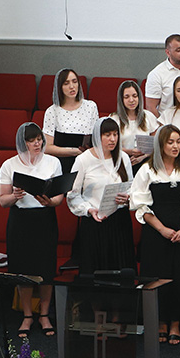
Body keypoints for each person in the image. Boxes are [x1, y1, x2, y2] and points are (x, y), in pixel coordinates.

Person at [130, 125, 180, 345]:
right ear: (161, 145)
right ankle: (160, 322)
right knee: (158, 277)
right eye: (170, 142)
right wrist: (161, 229)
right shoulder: (147, 169)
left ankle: (176, 322)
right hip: (156, 234)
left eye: (178, 142)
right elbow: (140, 206)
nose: (175, 146)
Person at [0, 123, 63, 338]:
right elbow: (2, 201)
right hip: (20, 220)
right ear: (22, 143)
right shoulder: (9, 165)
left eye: (39, 140)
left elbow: (59, 196)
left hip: (45, 218)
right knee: (23, 269)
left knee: (46, 268)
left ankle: (44, 314)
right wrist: (15, 196)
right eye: (32, 140)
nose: (37, 144)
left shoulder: (52, 162)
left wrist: (50, 201)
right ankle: (27, 315)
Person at [67, 117, 135, 275]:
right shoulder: (83, 160)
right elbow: (73, 194)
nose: (113, 139)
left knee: (121, 271)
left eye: (115, 134)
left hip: (119, 222)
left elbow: (131, 186)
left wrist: (128, 198)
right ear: (98, 136)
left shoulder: (123, 157)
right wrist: (89, 209)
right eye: (107, 135)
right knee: (96, 273)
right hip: (94, 222)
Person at [42, 68, 100, 175]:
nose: (72, 86)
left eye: (74, 81)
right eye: (66, 83)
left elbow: (97, 140)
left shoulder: (91, 106)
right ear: (59, 87)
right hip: (63, 164)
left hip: (87, 162)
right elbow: (47, 148)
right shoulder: (52, 111)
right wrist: (73, 152)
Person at [109, 80, 160, 169]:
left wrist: (143, 156)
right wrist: (129, 151)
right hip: (121, 161)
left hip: (145, 161)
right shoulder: (114, 118)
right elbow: (109, 145)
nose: (131, 100)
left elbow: (156, 143)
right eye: (126, 97)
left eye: (134, 96)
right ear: (121, 99)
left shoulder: (148, 116)